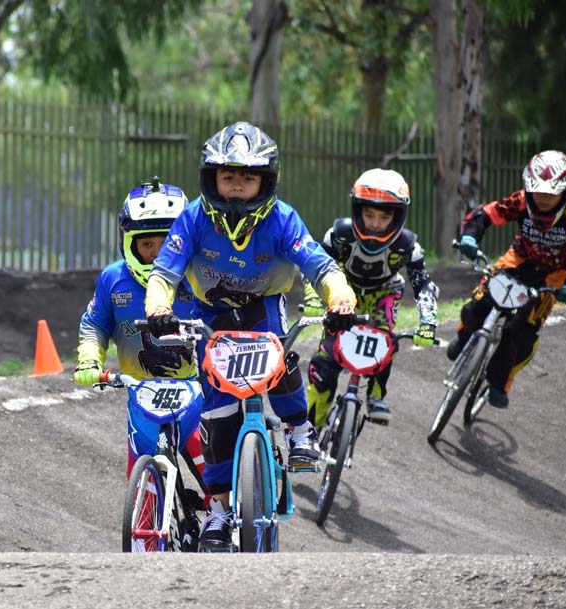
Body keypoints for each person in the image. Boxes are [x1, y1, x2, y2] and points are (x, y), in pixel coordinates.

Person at [143, 121, 358, 550]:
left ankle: (300, 431)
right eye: (228, 177)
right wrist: (158, 308)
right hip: (209, 313)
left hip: (263, 308)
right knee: (218, 416)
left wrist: (341, 298)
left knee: (278, 360)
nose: (237, 187)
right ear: (212, 179)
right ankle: (220, 512)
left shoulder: (282, 219)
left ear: (265, 181)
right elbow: (164, 273)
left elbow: (320, 265)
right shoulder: (193, 218)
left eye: (247, 177)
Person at [74, 178, 206, 486]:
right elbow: (95, 324)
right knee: (140, 484)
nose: (158, 253)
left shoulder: (200, 277)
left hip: (197, 394)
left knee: (216, 476)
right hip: (142, 395)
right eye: (147, 244)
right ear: (129, 242)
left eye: (168, 242)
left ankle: (221, 519)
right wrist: (89, 361)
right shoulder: (112, 279)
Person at [302, 168, 439, 428]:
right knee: (325, 364)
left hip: (384, 293)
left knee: (385, 339)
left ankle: (376, 396)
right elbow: (314, 267)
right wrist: (312, 299)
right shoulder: (338, 235)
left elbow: (423, 285)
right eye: (369, 214)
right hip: (344, 292)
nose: (375, 223)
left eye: (384, 216)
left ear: (397, 217)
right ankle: (310, 429)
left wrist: (428, 322)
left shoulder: (409, 246)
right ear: (357, 211)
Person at [448, 150, 566, 408]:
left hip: (555, 277)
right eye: (537, 190)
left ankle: (499, 382)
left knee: (520, 331)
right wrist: (470, 237)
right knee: (478, 305)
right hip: (517, 260)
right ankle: (464, 338)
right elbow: (485, 214)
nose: (542, 198)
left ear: (565, 192)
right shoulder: (520, 202)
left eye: (551, 193)